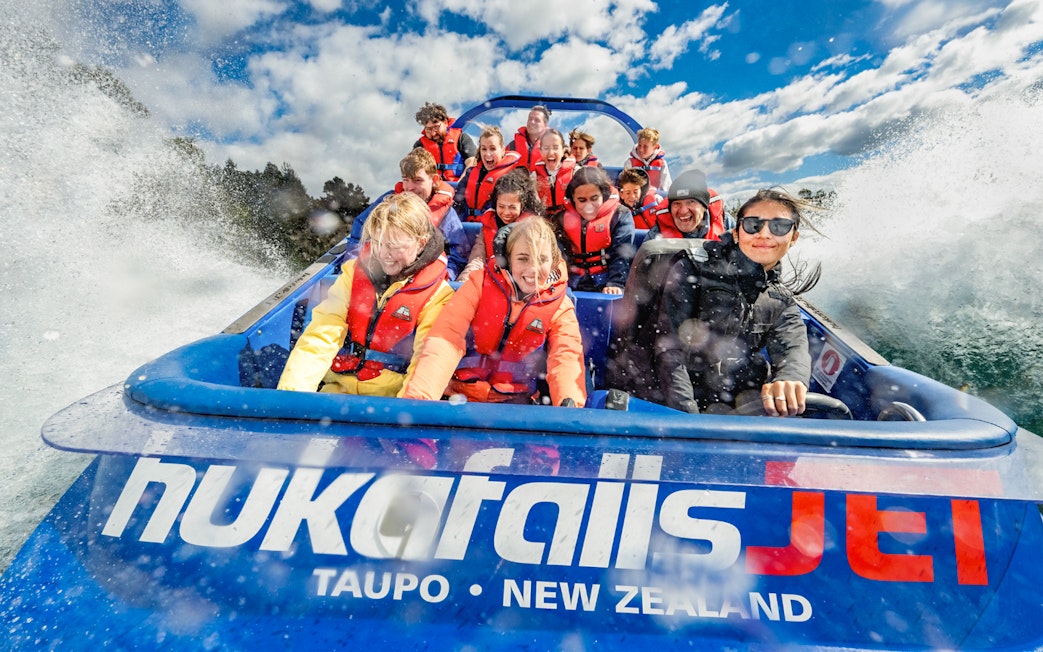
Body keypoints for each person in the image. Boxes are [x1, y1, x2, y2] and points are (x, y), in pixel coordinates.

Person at [653, 188, 818, 416]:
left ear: (794, 237)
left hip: (735, 398)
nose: (765, 234)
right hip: (676, 400)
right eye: (753, 225)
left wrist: (791, 379)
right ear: (738, 232)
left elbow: (793, 349)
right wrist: (689, 421)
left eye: (779, 226)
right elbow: (669, 351)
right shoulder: (690, 268)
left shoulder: (781, 298)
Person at [277, 193, 454, 398]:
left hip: (390, 400)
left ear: (421, 243)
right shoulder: (352, 274)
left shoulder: (438, 295)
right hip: (338, 388)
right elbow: (322, 334)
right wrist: (291, 397)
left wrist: (405, 417)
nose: (384, 254)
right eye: (378, 243)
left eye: (394, 247)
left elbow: (428, 361)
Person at [401, 217, 586, 407]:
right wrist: (420, 402)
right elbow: (446, 339)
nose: (533, 270)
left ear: (554, 261)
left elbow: (566, 358)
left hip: (516, 406)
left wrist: (569, 406)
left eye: (542, 259)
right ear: (507, 259)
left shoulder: (560, 306)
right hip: (459, 399)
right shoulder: (478, 285)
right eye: (523, 258)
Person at [556, 166, 636, 294]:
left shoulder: (620, 215)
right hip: (572, 281)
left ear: (603, 196)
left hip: (607, 280)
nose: (589, 206)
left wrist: (615, 283)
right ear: (573, 199)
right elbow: (557, 255)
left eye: (594, 199)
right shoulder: (560, 218)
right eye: (582, 200)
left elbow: (622, 254)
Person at [458, 168, 546, 281]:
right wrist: (466, 279)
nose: (506, 213)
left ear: (522, 206)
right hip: (493, 281)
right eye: (501, 206)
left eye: (512, 207)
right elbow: (477, 259)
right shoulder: (488, 225)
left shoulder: (534, 229)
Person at [395, 148, 469, 279]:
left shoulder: (447, 215)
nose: (409, 187)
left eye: (417, 180)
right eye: (405, 180)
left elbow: (458, 257)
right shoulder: (389, 204)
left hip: (429, 279)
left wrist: (444, 277)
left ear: (434, 180)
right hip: (392, 275)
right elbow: (358, 236)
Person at [454, 126, 522, 221]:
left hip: (496, 227)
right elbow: (457, 202)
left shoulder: (513, 175)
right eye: (484, 149)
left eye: (493, 149)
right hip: (468, 225)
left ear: (502, 151)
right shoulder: (471, 173)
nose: (488, 154)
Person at [645, 169, 727, 241]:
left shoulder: (726, 223)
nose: (683, 211)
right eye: (677, 203)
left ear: (704, 206)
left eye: (691, 202)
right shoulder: (656, 235)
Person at [413, 102, 476, 183]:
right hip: (432, 188)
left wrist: (461, 184)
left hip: (458, 185)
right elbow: (413, 169)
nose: (433, 133)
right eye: (428, 129)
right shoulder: (420, 145)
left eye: (436, 127)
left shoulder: (461, 138)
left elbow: (472, 162)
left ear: (445, 122)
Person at [531, 128, 576, 219]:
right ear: (540, 151)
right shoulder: (533, 177)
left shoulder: (576, 173)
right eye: (546, 148)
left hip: (569, 221)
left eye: (555, 148)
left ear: (563, 151)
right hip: (544, 222)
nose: (551, 153)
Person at [623, 127, 672, 192]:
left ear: (655, 147)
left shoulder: (662, 164)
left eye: (645, 146)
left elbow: (666, 186)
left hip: (656, 197)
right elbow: (626, 184)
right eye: (639, 145)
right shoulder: (630, 163)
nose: (641, 149)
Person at [506, 105, 550, 171]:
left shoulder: (552, 148)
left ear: (545, 125)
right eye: (530, 119)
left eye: (537, 120)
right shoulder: (512, 147)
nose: (532, 122)